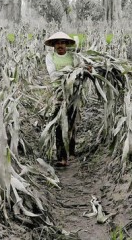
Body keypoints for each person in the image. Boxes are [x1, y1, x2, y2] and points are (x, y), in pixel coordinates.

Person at [44, 31, 84, 167]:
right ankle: (62, 157)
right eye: (57, 43)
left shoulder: (74, 57)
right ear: (53, 45)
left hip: (73, 94)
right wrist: (72, 71)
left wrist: (85, 70)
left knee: (72, 123)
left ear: (66, 44)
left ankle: (71, 150)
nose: (60, 45)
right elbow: (53, 75)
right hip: (59, 95)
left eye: (62, 42)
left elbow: (81, 72)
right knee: (58, 125)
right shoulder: (50, 57)